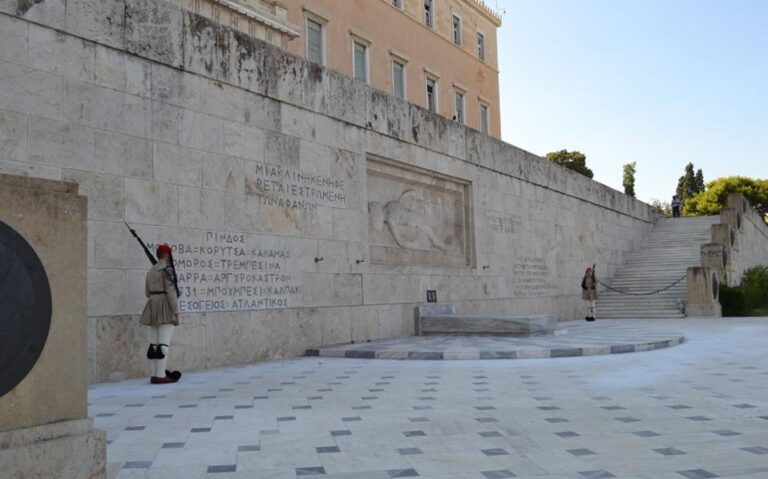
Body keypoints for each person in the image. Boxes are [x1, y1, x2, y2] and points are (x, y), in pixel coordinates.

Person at [141, 244, 182, 384]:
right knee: (163, 344)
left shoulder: (151, 271)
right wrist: (176, 313)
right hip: (165, 305)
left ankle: (154, 374)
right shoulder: (167, 270)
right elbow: (171, 293)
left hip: (152, 305)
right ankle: (160, 375)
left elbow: (147, 292)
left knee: (154, 344)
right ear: (168, 255)